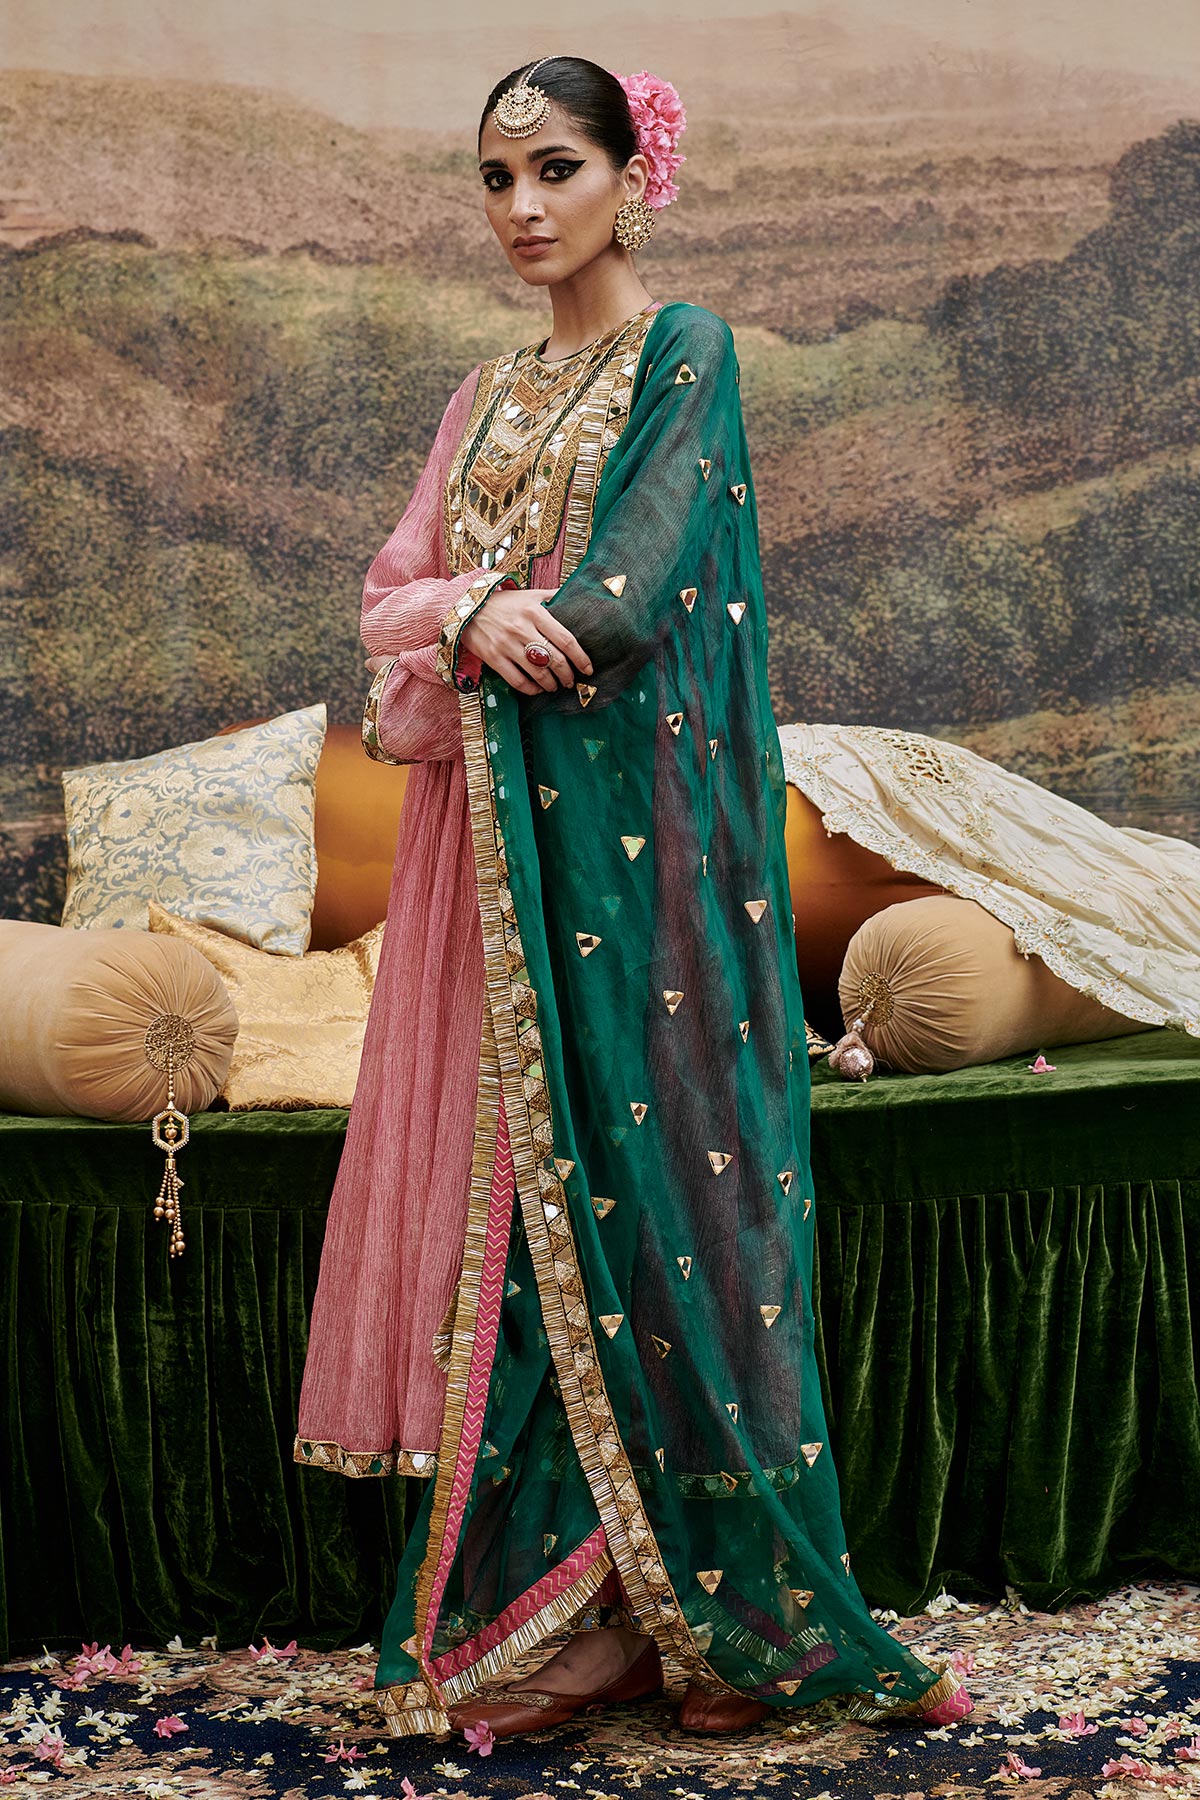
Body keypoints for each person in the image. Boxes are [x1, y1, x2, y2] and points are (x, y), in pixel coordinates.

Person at [294, 54, 973, 1742]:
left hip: (648, 861)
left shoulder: (687, 355)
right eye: (497, 177)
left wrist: (499, 625)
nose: (525, 208)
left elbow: (641, 583)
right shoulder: (481, 396)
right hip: (497, 869)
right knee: (528, 1222)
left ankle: (725, 1623)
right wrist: (466, 615)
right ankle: (589, 1623)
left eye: (559, 170)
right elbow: (390, 596)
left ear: (634, 177)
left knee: (674, 1210)